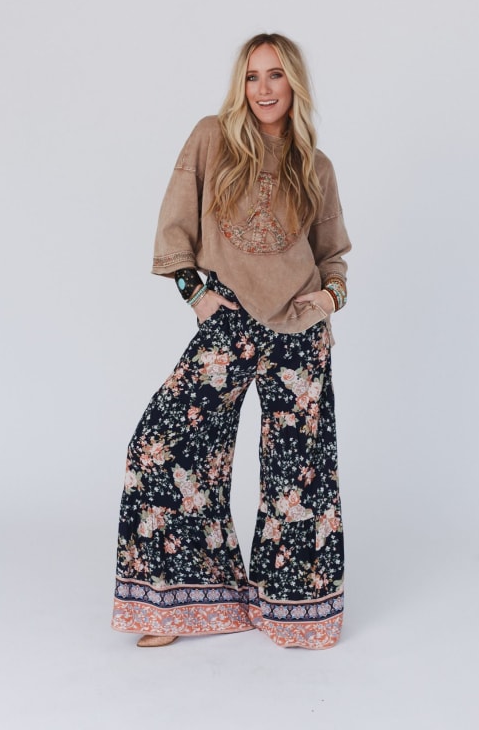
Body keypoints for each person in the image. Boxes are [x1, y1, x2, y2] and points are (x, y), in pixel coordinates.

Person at [111, 33, 351, 650]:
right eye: (252, 76)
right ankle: (176, 606)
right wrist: (193, 291)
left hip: (300, 334)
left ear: (294, 83)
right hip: (230, 321)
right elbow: (175, 223)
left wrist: (331, 297)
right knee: (162, 448)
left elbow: (333, 257)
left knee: (298, 476)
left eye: (275, 75)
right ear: (240, 85)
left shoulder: (315, 166)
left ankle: (298, 612)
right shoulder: (212, 138)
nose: (263, 89)